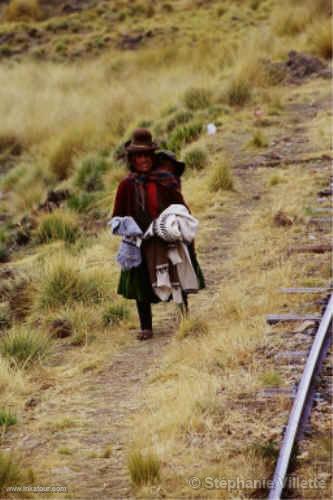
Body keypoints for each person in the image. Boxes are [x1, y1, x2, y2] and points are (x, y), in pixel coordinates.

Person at [111, 128, 205, 340]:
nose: (143, 160)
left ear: (152, 156)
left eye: (146, 155)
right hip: (140, 240)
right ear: (132, 159)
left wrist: (178, 227)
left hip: (167, 236)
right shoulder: (126, 185)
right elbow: (117, 215)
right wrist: (127, 228)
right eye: (138, 156)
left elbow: (181, 207)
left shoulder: (165, 180)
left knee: (177, 275)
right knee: (141, 282)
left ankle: (184, 319)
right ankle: (146, 327)